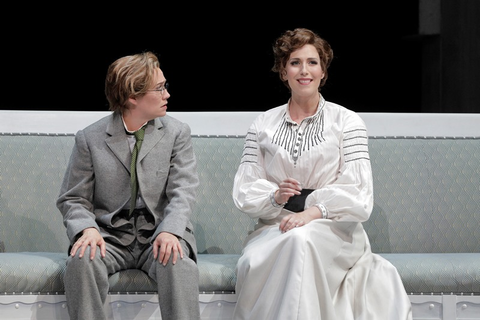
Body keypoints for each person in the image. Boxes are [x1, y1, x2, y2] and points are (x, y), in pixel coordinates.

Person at [232, 28, 413, 320]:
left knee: (300, 241)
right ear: (283, 71)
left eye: (312, 62)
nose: (304, 70)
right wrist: (274, 195)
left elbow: (359, 192)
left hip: (333, 228)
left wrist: (313, 212)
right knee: (284, 245)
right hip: (274, 226)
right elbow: (245, 187)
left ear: (323, 71)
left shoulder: (347, 121)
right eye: (295, 62)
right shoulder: (262, 124)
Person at [56, 51, 200, 320]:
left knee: (179, 264)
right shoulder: (90, 138)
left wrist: (170, 231)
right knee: (80, 261)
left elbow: (184, 191)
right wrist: (86, 229)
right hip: (109, 237)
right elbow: (73, 198)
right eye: (159, 89)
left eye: (165, 86)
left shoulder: (177, 133)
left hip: (158, 234)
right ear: (132, 97)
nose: (167, 94)